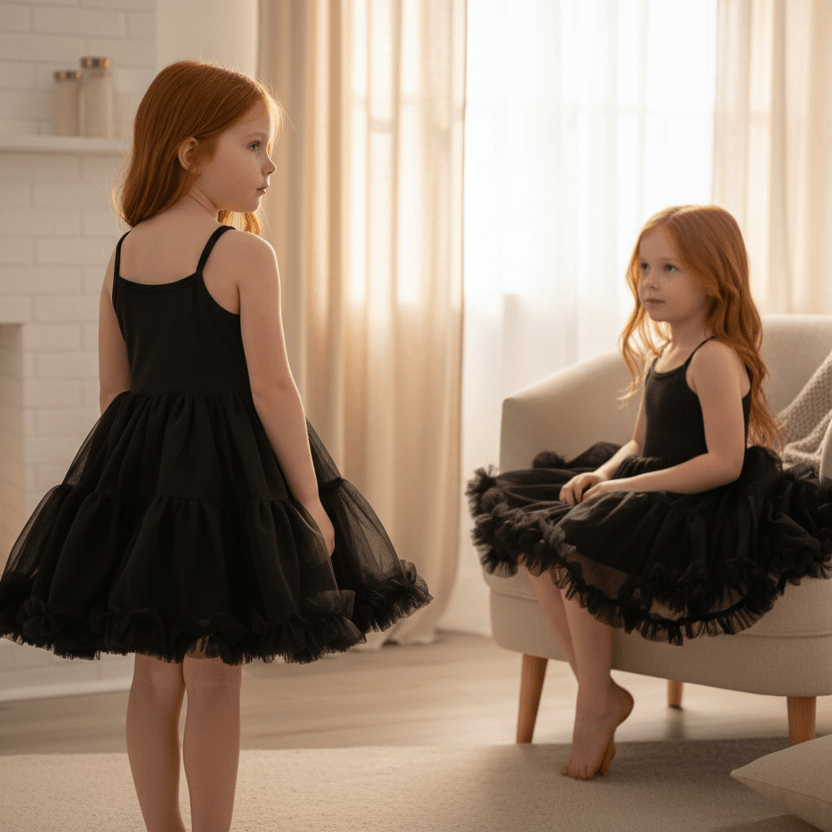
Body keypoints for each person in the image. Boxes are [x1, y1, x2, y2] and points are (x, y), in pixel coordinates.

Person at [0, 60, 431, 832]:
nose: (270, 167)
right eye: (256, 145)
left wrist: (131, 493)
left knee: (153, 676)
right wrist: (308, 503)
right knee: (217, 679)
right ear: (192, 150)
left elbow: (115, 396)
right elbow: (273, 391)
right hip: (229, 486)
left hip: (141, 479)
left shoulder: (123, 255)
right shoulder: (240, 255)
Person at [467, 205, 832, 782]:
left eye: (670, 269)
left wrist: (628, 487)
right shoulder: (666, 351)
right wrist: (607, 474)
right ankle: (599, 692)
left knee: (577, 538)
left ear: (715, 279)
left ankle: (594, 707)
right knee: (526, 519)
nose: (650, 282)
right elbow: (638, 440)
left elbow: (724, 463)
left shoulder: (714, 358)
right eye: (644, 267)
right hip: (649, 479)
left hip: (703, 498)